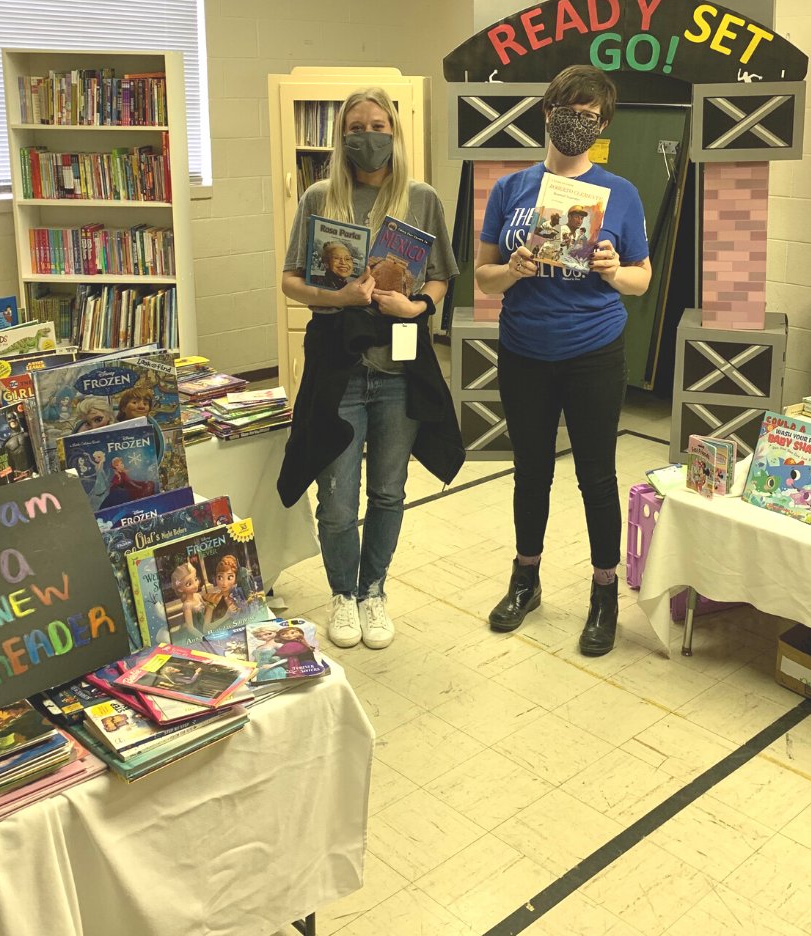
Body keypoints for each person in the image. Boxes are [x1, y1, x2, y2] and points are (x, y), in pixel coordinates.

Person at [277, 87, 464, 651]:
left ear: (395, 130)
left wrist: (416, 306)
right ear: (342, 136)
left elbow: (440, 276)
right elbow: (290, 280)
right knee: (336, 498)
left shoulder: (421, 197)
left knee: (388, 490)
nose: (368, 136)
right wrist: (342, 298)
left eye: (378, 125)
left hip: (398, 368)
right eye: (356, 126)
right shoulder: (318, 197)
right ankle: (341, 592)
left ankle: (372, 591)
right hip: (338, 366)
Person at [475, 65, 651, 657]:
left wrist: (613, 271)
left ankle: (605, 593)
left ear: (602, 125)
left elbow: (642, 280)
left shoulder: (619, 193)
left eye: (591, 117)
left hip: (593, 350)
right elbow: (484, 275)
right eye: (568, 111)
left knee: (596, 475)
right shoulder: (510, 189)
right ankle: (526, 579)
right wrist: (513, 268)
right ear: (546, 112)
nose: (578, 124)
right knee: (531, 470)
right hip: (524, 348)